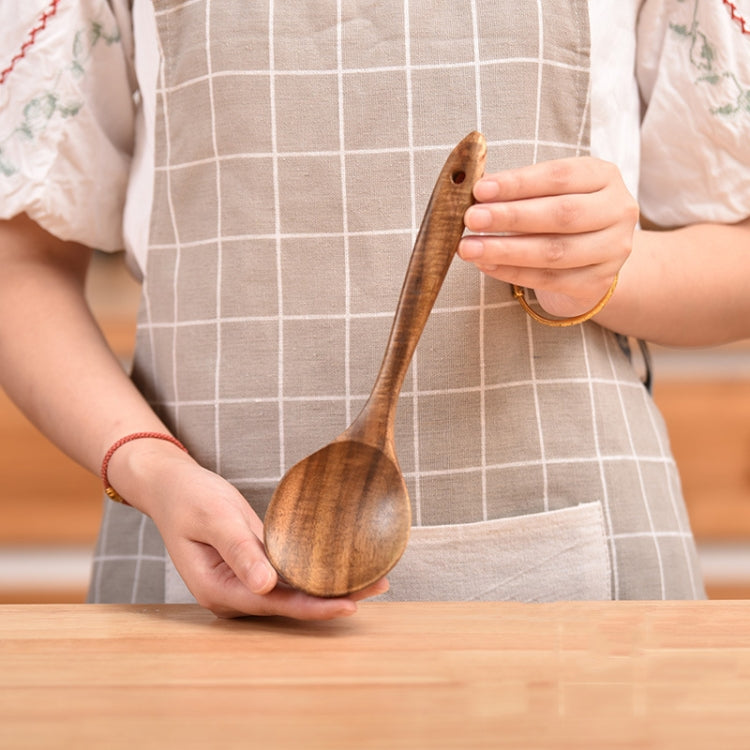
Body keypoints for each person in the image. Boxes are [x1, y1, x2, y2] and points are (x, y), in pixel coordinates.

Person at [1, 0, 748, 619]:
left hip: (583, 597)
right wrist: (149, 468)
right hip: (197, 570)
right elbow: (20, 261)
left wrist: (616, 266)